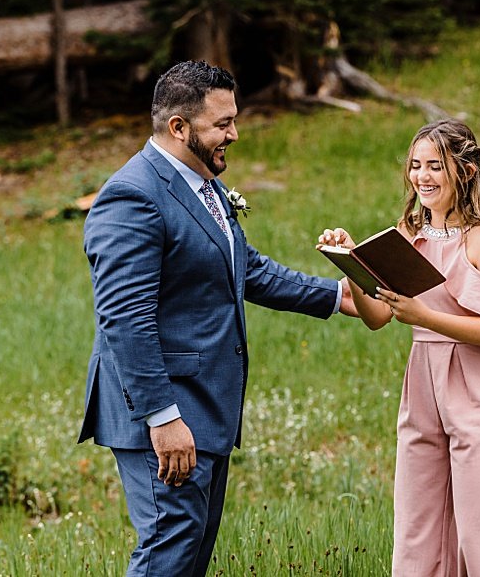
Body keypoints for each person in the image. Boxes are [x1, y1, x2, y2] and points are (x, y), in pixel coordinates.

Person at [81, 60, 354, 575]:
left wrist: (336, 295)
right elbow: (124, 317)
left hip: (207, 408)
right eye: (222, 124)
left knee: (190, 551)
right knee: (170, 549)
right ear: (179, 127)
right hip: (165, 413)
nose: (235, 133)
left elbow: (244, 267)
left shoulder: (201, 184)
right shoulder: (132, 197)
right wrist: (162, 418)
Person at [317, 119, 480, 576]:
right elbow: (378, 317)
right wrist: (354, 264)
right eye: (415, 166)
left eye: (435, 166)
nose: (422, 177)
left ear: (465, 171)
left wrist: (425, 316)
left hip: (479, 386)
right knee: (417, 521)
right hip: (424, 382)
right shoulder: (408, 233)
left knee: (479, 527)